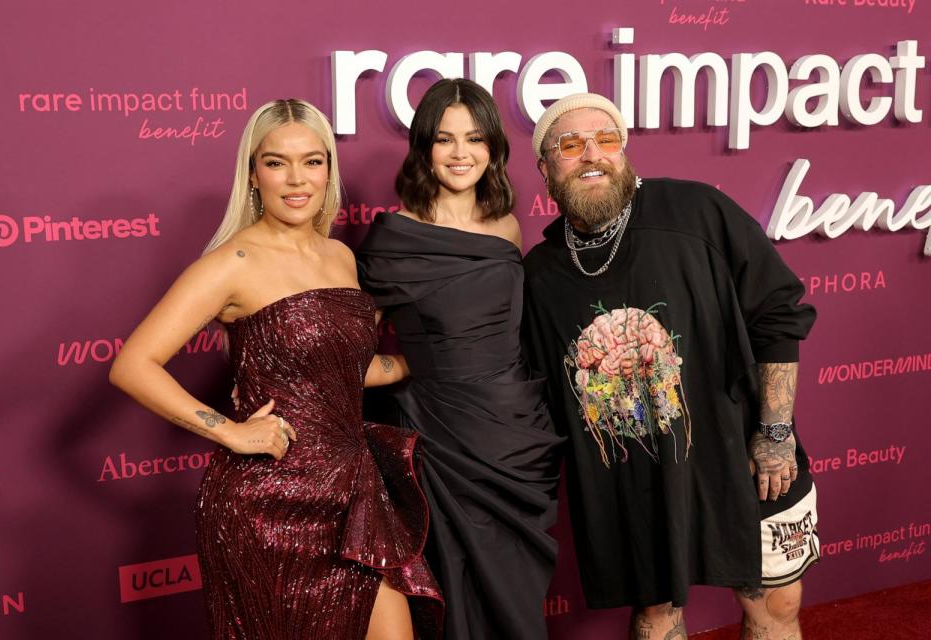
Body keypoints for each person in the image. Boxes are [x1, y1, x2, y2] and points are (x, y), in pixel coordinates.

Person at [109, 99, 442, 640]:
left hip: (353, 491)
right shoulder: (232, 263)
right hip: (269, 505)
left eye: (312, 161)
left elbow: (343, 373)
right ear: (252, 172)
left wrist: (424, 361)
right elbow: (133, 365)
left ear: (329, 169)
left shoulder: (339, 257)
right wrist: (231, 432)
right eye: (276, 162)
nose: (296, 179)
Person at [521, 93, 819, 640]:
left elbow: (778, 313)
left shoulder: (700, 211)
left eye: (606, 139)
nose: (592, 154)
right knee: (656, 615)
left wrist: (774, 433)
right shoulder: (540, 272)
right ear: (545, 168)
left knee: (774, 606)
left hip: (744, 451)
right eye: (570, 144)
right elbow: (539, 392)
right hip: (634, 478)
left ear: (625, 151)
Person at [356, 78, 563, 640]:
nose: (460, 153)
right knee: (456, 593)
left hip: (515, 433)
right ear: (423, 147)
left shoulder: (507, 227)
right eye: (444, 139)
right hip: (439, 439)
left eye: (474, 138)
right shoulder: (393, 238)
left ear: (494, 147)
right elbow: (353, 350)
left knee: (516, 593)